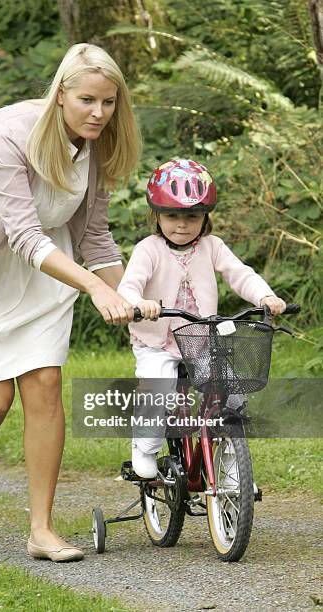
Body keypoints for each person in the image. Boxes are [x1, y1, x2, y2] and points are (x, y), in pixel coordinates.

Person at [0, 43, 142, 562]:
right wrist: (94, 287)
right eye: (88, 100)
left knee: (45, 386)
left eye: (109, 103)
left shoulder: (99, 145)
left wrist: (134, 299)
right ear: (61, 93)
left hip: (48, 273)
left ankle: (41, 530)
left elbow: (94, 238)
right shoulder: (8, 131)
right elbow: (21, 234)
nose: (99, 113)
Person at [118, 158, 286, 478]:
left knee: (232, 390)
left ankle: (230, 453)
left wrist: (265, 296)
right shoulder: (148, 249)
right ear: (157, 215)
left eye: (191, 216)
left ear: (205, 216)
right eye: (172, 216)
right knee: (157, 390)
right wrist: (140, 303)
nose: (181, 224)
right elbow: (128, 287)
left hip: (200, 338)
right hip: (157, 341)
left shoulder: (212, 246)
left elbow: (240, 274)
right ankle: (145, 447)